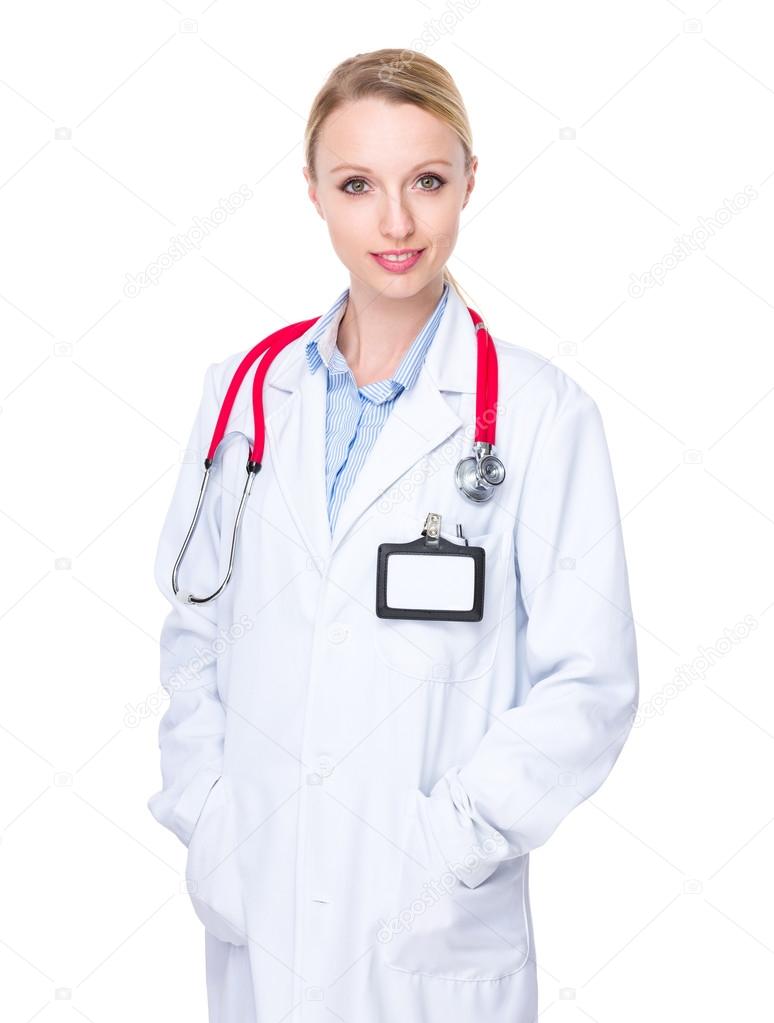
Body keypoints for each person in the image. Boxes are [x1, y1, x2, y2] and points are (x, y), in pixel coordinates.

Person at [147, 47, 639, 1023]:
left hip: (432, 934)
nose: (398, 222)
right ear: (315, 194)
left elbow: (591, 683)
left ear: (467, 182)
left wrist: (449, 840)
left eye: (426, 181)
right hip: (263, 894)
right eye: (358, 185)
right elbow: (194, 637)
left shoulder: (541, 415)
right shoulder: (244, 399)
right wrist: (213, 822)